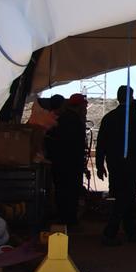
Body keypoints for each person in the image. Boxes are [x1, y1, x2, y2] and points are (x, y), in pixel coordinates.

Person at [95, 85, 136, 246]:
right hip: (133, 163)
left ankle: (130, 230)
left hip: (114, 163)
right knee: (128, 196)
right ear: (131, 97)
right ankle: (111, 231)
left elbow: (101, 144)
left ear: (118, 98)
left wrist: (99, 165)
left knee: (122, 195)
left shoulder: (108, 118)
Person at [43, 94, 87, 230]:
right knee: (71, 192)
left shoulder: (60, 120)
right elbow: (76, 145)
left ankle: (63, 218)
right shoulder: (73, 120)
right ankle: (69, 221)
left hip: (60, 163)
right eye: (84, 105)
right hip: (71, 164)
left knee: (62, 191)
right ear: (79, 106)